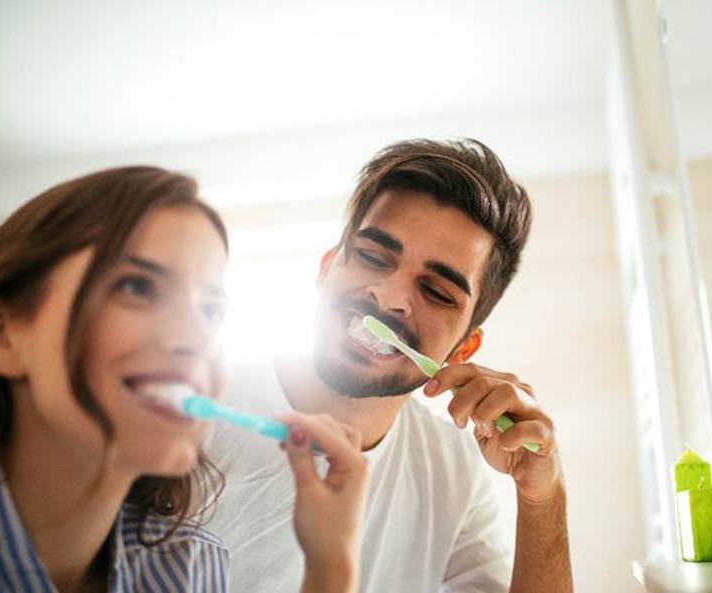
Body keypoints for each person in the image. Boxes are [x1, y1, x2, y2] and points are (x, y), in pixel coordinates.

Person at [207, 139, 574, 592]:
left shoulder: (451, 472)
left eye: (437, 292)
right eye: (373, 257)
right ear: (327, 269)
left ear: (463, 349)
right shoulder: (197, 407)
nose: (389, 297)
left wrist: (543, 498)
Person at [0, 167, 368, 593]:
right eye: (138, 286)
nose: (198, 336)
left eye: (211, 310)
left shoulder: (189, 566)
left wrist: (332, 565)